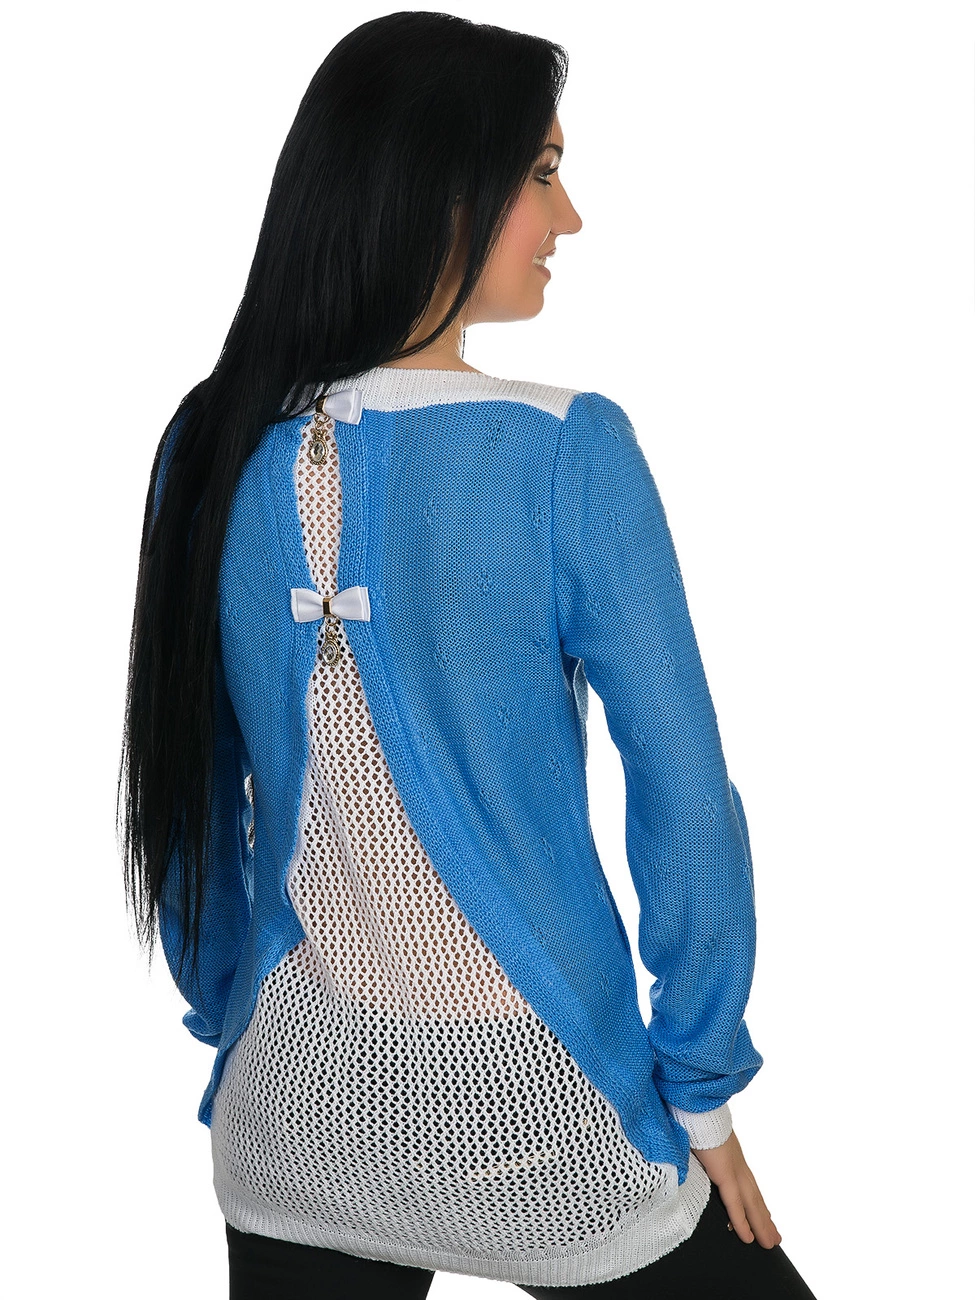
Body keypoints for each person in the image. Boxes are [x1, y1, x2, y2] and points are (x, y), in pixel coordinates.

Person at [118, 11, 818, 1298]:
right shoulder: (565, 451)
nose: (571, 218)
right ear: (442, 189)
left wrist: (232, 1014)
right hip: (546, 1109)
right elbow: (686, 799)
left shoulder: (206, 443)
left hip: (291, 1110)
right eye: (543, 173)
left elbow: (187, 800)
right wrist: (703, 1088)